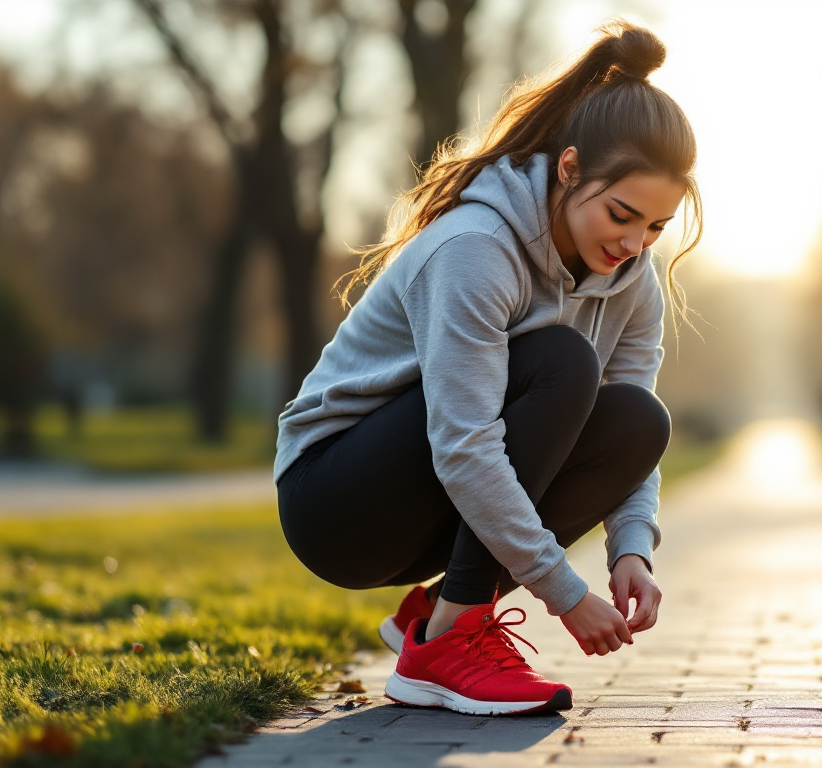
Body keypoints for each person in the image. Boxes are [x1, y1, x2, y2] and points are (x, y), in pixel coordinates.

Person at [272, 20, 702, 717]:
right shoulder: (475, 248)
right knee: (564, 361)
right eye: (622, 214)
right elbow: (465, 442)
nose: (634, 244)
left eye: (656, 226)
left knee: (637, 420)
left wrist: (631, 549)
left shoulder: (633, 281)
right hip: (333, 500)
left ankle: (439, 615)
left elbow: (625, 440)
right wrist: (565, 591)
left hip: (427, 500)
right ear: (568, 169)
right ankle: (450, 640)